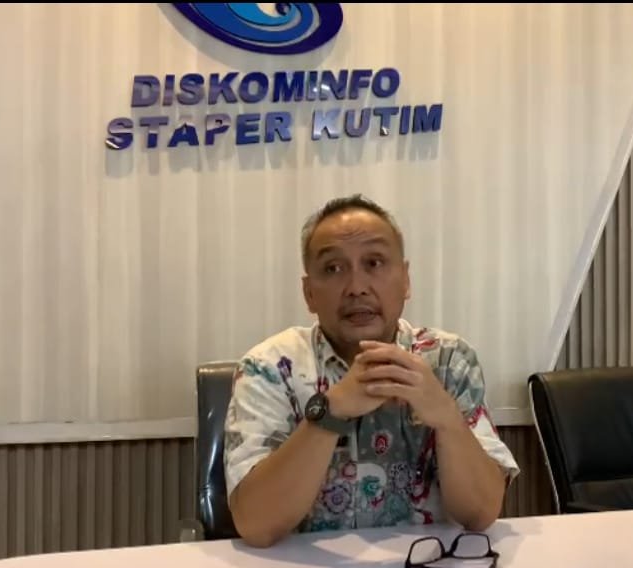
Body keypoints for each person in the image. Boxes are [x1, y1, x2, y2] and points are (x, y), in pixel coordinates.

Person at [223, 194, 520, 548]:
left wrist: (445, 416)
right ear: (309, 293)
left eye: (374, 263)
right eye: (333, 269)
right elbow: (256, 524)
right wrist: (330, 412)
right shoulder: (270, 368)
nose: (357, 288)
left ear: (406, 280)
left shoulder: (448, 359)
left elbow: (481, 513)